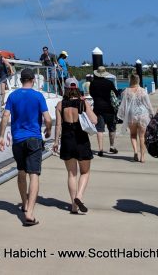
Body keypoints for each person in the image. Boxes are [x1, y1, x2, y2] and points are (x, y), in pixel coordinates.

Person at [0, 67, 52, 226]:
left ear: (21, 80)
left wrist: (1, 136)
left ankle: (24, 203)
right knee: (34, 174)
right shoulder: (38, 96)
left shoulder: (13, 96)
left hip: (18, 139)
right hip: (34, 138)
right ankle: (30, 212)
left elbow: (5, 116)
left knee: (21, 171)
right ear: (33, 80)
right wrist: (48, 131)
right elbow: (48, 119)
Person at [53, 77, 97, 214]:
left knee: (71, 174)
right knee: (85, 172)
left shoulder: (60, 104)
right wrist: (87, 106)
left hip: (67, 140)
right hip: (81, 140)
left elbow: (58, 125)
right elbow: (94, 120)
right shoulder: (83, 103)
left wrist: (55, 141)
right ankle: (79, 197)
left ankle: (73, 205)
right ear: (77, 88)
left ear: (65, 89)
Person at [117, 72, 154, 162]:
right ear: (138, 80)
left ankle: (135, 152)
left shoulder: (125, 91)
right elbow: (148, 104)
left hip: (131, 115)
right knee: (142, 137)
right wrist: (152, 113)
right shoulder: (142, 91)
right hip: (142, 115)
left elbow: (124, 104)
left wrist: (123, 115)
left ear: (130, 80)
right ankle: (143, 157)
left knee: (133, 135)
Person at [89, 66, 118, 156]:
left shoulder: (93, 83)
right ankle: (112, 147)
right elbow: (116, 93)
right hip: (109, 108)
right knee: (112, 128)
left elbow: (91, 94)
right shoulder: (109, 83)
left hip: (98, 108)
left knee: (100, 129)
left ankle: (100, 149)